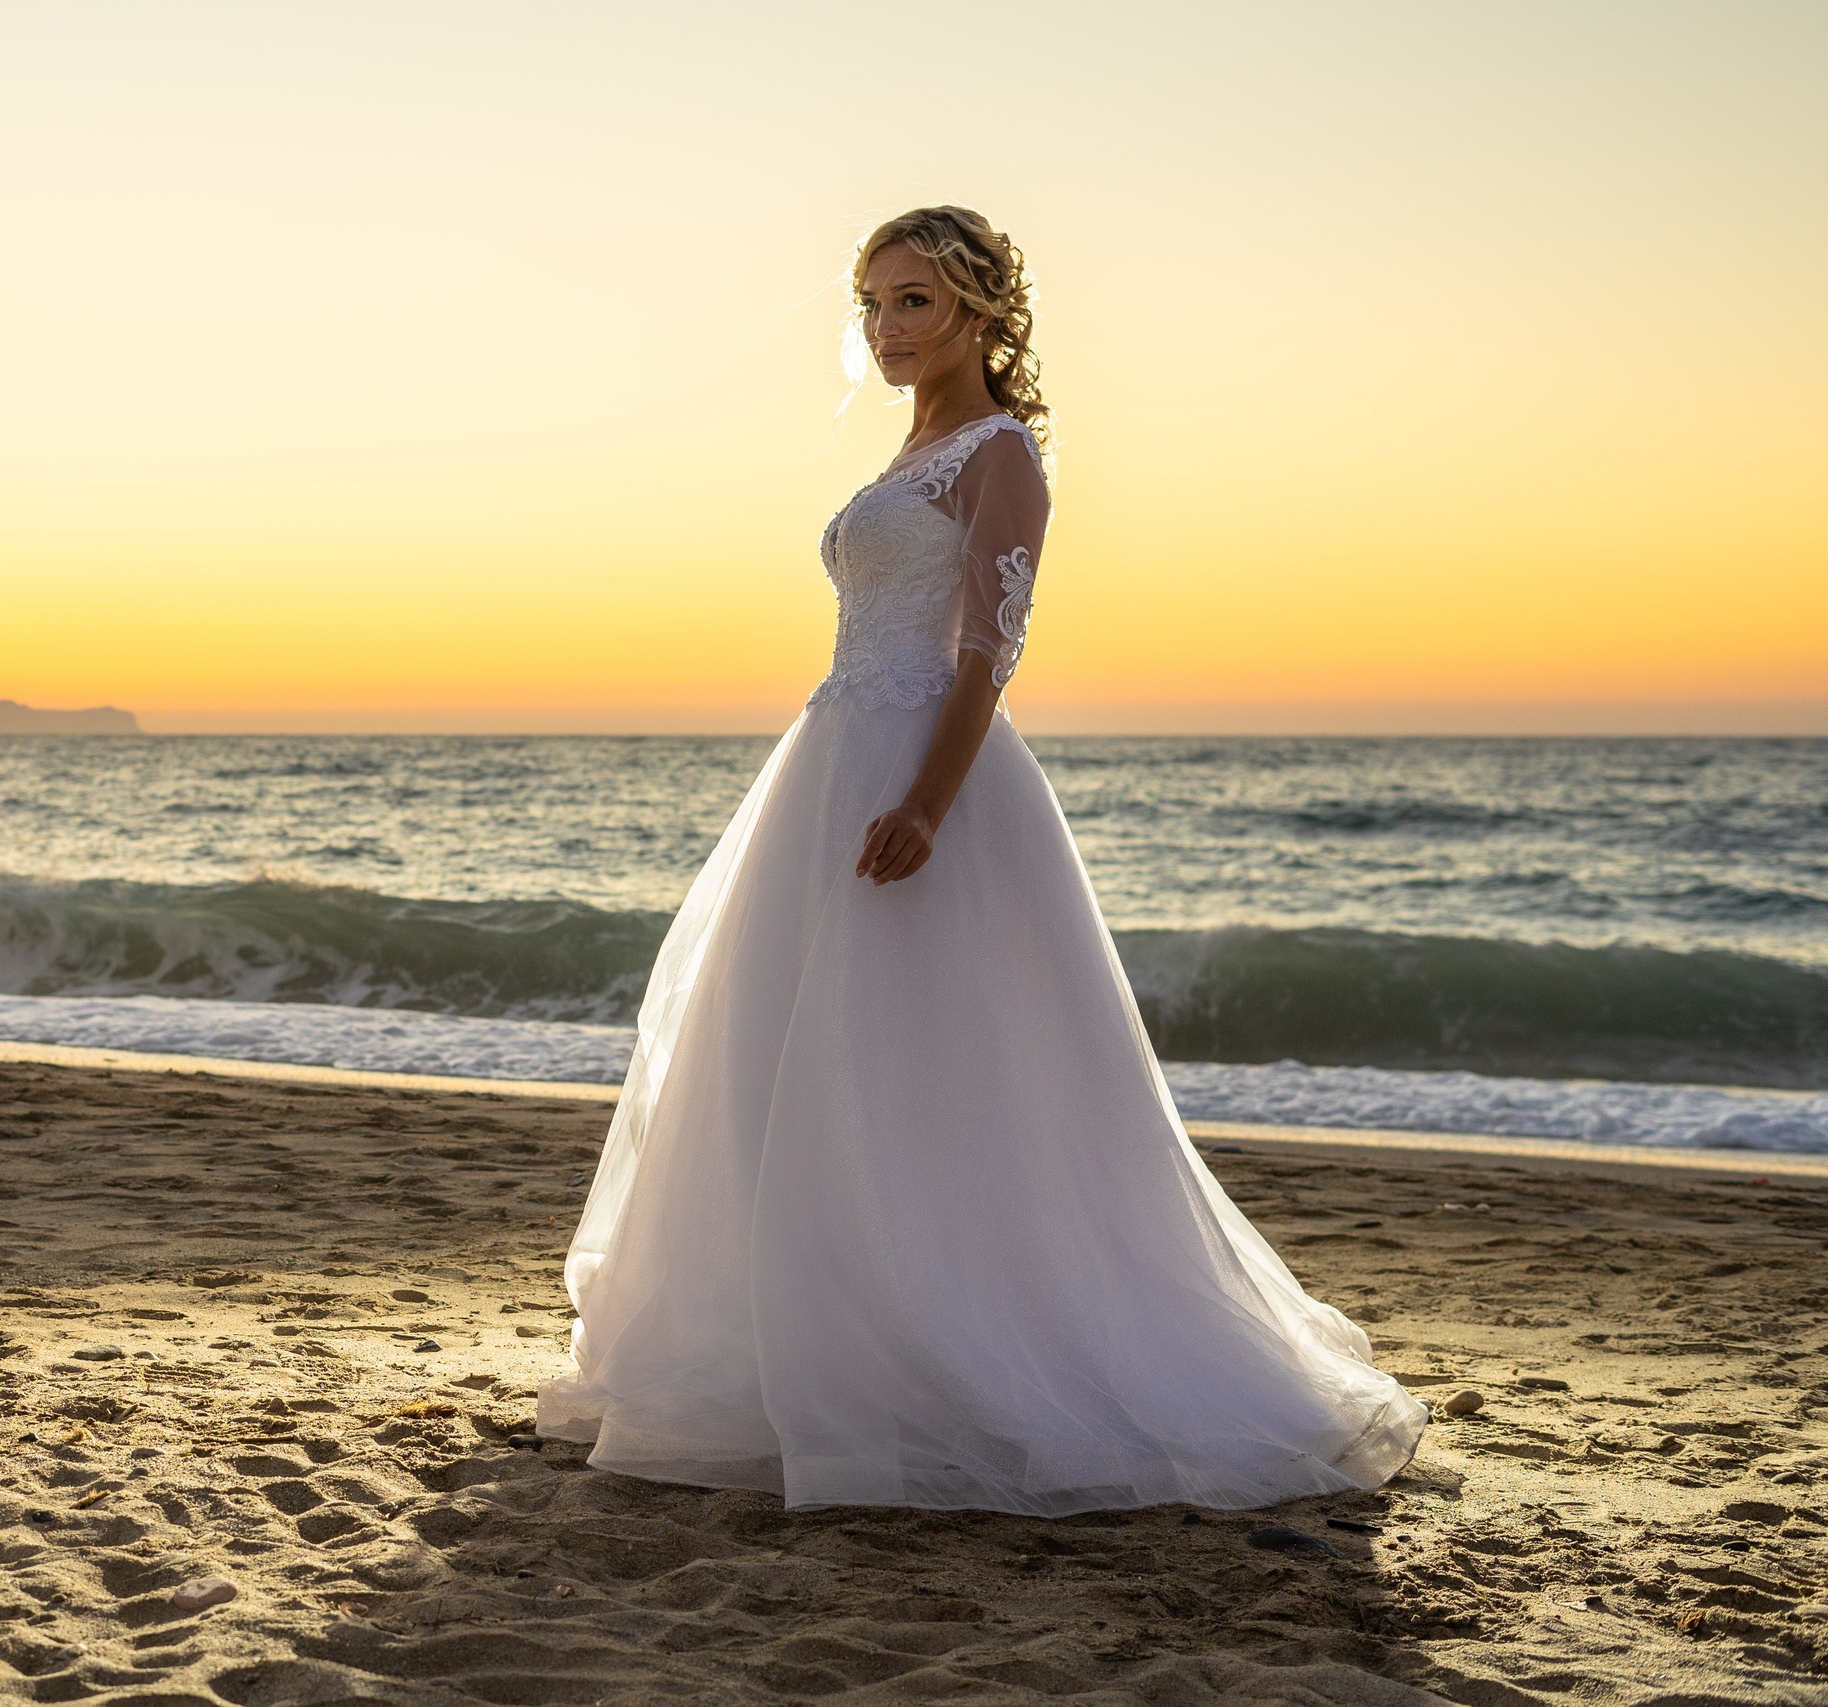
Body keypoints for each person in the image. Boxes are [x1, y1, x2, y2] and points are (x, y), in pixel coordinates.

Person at [536, 207, 1425, 1514]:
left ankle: (959, 1357)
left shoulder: (1002, 454)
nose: (890, 329)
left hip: (923, 779)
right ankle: (816, 1349)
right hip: (832, 757)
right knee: (797, 1065)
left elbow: (987, 654)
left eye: (916, 304)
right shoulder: (908, 451)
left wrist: (929, 805)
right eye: (875, 303)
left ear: (981, 313)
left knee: (933, 1073)